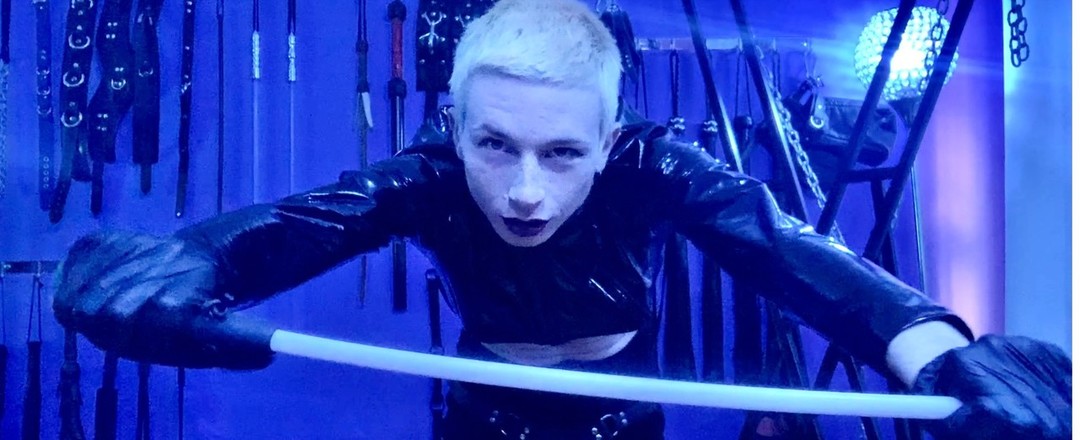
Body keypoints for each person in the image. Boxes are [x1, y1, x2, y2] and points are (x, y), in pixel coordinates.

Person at [53, 0, 1070, 439]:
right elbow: (303, 222)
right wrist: (183, 264)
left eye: (563, 153)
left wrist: (943, 358)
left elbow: (790, 251)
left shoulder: (657, 164)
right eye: (495, 145)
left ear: (611, 134)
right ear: (456, 127)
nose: (525, 191)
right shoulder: (429, 174)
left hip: (623, 415)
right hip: (478, 417)